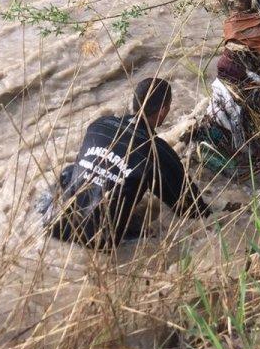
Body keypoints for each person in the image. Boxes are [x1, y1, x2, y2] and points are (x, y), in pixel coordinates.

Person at [47, 76, 212, 247]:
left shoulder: (98, 125)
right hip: (98, 242)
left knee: (71, 170)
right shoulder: (156, 150)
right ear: (163, 110)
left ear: (134, 102)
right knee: (152, 229)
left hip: (54, 226)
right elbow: (191, 208)